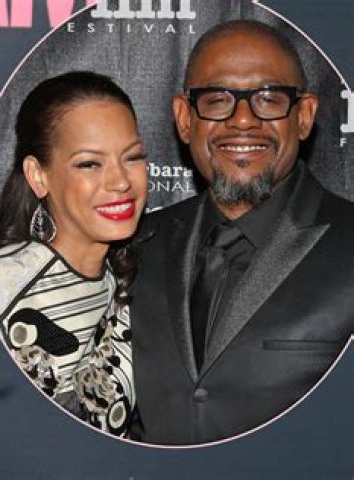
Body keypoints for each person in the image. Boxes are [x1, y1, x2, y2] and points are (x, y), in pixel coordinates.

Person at [131, 19, 354, 445]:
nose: (243, 120)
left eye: (269, 98)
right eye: (217, 100)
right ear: (184, 119)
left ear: (305, 116)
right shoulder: (137, 246)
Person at [0, 71, 148, 436]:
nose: (121, 181)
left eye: (132, 157)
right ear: (38, 176)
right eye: (90, 164)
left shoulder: (132, 287)